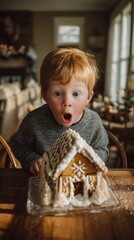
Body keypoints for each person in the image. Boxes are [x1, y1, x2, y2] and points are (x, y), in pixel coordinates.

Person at [10, 47, 109, 175]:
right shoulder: (34, 120)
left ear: (88, 97)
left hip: (80, 182)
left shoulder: (94, 122)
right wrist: (32, 159)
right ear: (45, 95)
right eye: (58, 93)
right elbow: (18, 144)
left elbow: (102, 150)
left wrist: (87, 160)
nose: (67, 102)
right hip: (44, 183)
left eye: (76, 94)